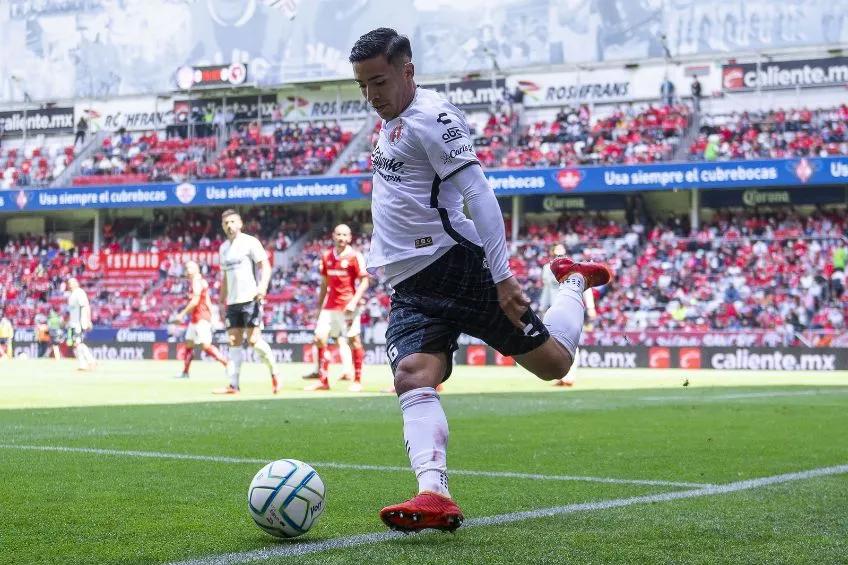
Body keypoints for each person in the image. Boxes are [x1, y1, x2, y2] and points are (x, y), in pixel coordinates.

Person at [349, 28, 612, 533]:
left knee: (554, 364)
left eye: (378, 82)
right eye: (362, 86)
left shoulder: (434, 119)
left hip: (457, 267)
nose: (371, 96)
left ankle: (573, 282)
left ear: (408, 71)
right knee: (411, 374)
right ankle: (434, 494)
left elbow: (480, 196)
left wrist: (503, 276)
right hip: (409, 284)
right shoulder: (392, 119)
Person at [215, 209, 280, 394]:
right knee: (233, 340)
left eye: (232, 222)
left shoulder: (250, 243)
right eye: (226, 223)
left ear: (240, 223)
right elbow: (226, 277)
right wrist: (221, 302)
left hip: (250, 298)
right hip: (233, 302)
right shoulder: (223, 248)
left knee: (254, 341)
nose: (229, 225)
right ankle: (233, 384)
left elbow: (265, 265)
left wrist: (263, 287)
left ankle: (275, 373)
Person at [304, 224, 370, 392]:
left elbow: (365, 281)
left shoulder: (355, 256)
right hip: (329, 306)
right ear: (333, 236)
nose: (341, 238)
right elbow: (324, 283)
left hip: (348, 306)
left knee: (353, 340)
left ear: (349, 238)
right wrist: (319, 307)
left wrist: (354, 301)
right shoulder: (326, 256)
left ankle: (357, 380)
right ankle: (323, 381)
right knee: (319, 338)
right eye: (338, 234)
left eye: (345, 235)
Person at [541, 245, 599, 388]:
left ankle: (569, 376)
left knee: (571, 342)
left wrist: (591, 307)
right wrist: (542, 307)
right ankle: (561, 375)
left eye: (562, 253)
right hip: (554, 310)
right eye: (556, 253)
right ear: (551, 253)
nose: (559, 255)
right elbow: (547, 290)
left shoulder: (574, 266)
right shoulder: (546, 269)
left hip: (571, 307)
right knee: (553, 343)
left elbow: (585, 288)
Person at [171, 260, 231, 380]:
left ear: (197, 269)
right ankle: (185, 372)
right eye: (186, 268)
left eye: (190, 268)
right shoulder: (198, 281)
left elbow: (195, 301)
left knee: (206, 346)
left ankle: (228, 365)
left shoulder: (196, 281)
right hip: (196, 318)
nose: (188, 271)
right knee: (189, 343)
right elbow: (206, 299)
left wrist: (181, 315)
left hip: (201, 317)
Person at [67, 278, 96, 371]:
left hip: (79, 323)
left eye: (71, 283)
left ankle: (83, 364)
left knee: (78, 343)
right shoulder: (72, 294)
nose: (70, 285)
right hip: (74, 323)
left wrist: (88, 320)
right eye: (69, 283)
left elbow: (86, 306)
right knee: (79, 343)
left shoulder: (79, 292)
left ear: (76, 283)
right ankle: (91, 361)